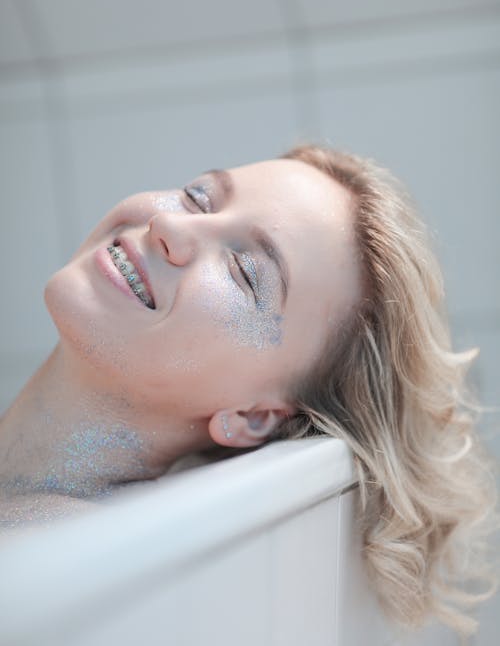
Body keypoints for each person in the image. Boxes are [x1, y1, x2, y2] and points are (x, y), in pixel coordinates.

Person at [0, 142, 497, 637]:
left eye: (244, 272)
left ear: (253, 417)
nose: (170, 227)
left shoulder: (90, 589)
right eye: (199, 197)